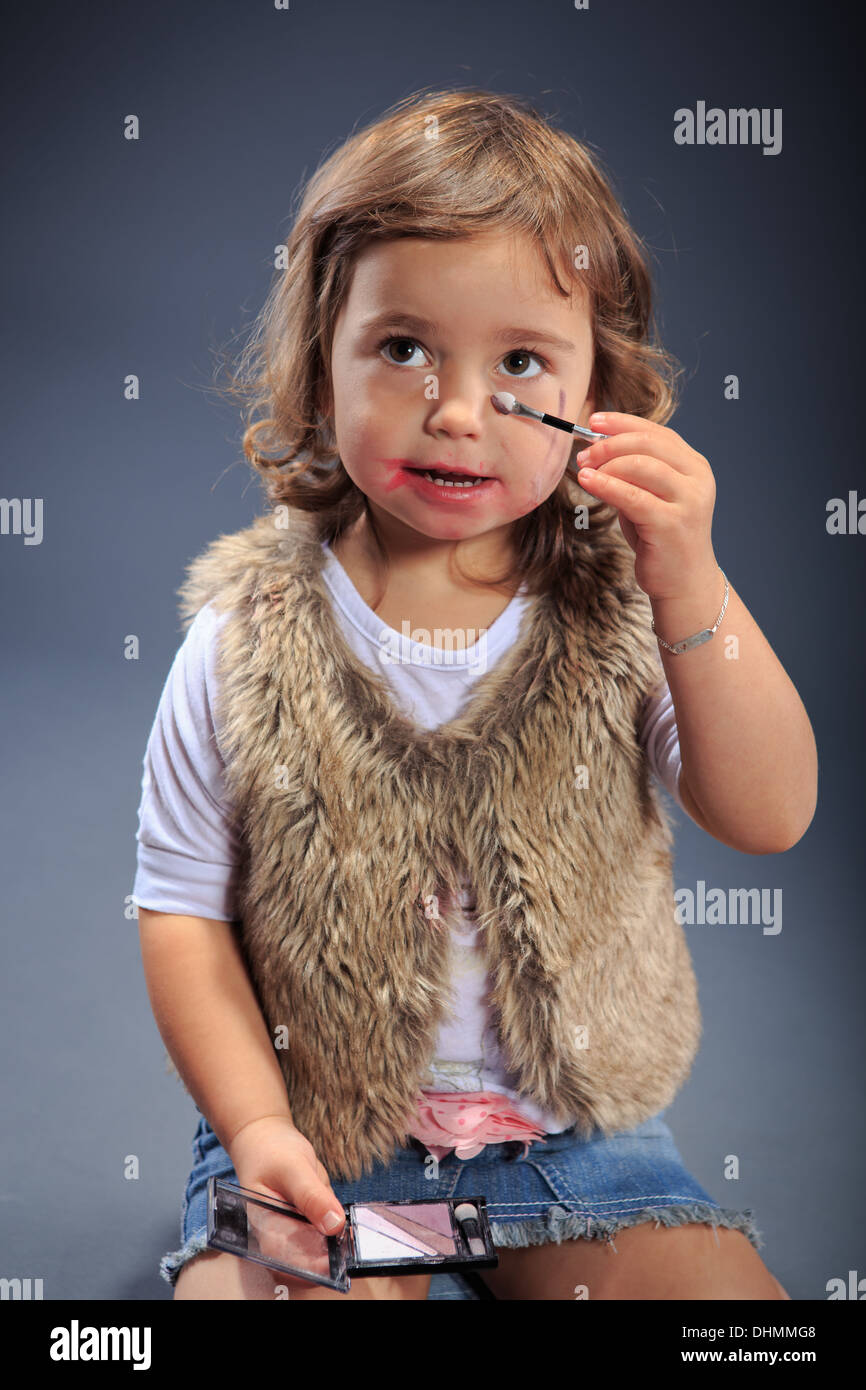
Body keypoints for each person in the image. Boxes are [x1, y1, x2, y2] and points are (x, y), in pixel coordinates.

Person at [134, 87, 816, 1300]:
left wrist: (693, 579)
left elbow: (765, 812)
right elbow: (181, 913)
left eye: (517, 362)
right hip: (319, 1142)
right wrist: (253, 1131)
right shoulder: (241, 637)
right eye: (401, 348)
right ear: (320, 361)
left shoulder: (623, 611)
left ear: (590, 392)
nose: (454, 410)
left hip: (575, 1146)